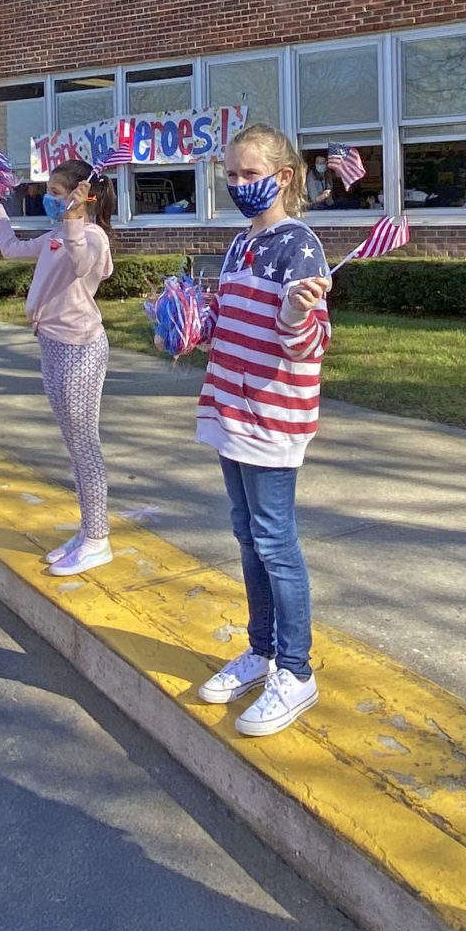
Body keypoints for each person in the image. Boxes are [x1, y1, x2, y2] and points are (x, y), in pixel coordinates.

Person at [183, 125, 333, 737]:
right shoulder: (240, 244)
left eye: (250, 174)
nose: (239, 185)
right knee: (247, 536)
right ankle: (262, 650)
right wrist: (192, 324)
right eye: (233, 175)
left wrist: (298, 311)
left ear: (284, 176)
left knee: (274, 542)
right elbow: (226, 323)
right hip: (229, 412)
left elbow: (310, 346)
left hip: (271, 419)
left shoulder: (300, 248)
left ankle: (295, 672)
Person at [0, 160, 115, 575]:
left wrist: (75, 219)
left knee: (84, 444)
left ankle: (98, 539)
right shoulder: (57, 235)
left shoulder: (91, 236)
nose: (48, 200)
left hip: (81, 347)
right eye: (50, 192)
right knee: (73, 445)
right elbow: (11, 247)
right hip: (53, 344)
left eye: (58, 194)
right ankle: (87, 530)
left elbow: (81, 263)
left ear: (82, 196)